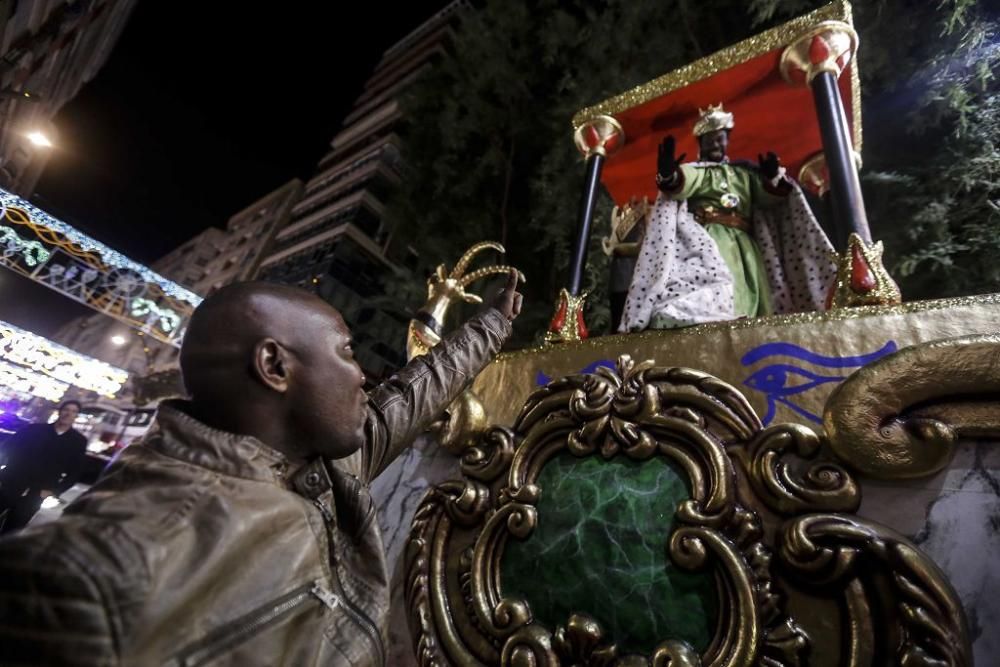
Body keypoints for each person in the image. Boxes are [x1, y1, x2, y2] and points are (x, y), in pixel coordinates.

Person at [0, 275, 522, 666]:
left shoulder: (328, 461)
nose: (362, 373)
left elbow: (415, 393)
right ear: (274, 367)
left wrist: (493, 322)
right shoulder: (90, 571)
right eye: (345, 351)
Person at [619, 104, 836, 331]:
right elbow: (680, 184)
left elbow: (768, 198)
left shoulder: (744, 174)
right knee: (723, 286)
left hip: (747, 244)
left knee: (756, 287)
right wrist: (667, 174)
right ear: (701, 143)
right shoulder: (700, 172)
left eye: (720, 138)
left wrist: (773, 178)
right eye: (710, 139)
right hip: (712, 240)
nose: (716, 143)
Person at [0, 399, 88, 533]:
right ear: (59, 411)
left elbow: (75, 472)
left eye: (73, 412)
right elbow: (10, 446)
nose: (68, 414)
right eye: (66, 410)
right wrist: (6, 472)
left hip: (36, 493)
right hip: (11, 483)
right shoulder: (35, 429)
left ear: (76, 416)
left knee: (13, 530)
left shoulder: (78, 441)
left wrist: (54, 491)